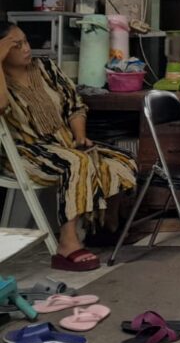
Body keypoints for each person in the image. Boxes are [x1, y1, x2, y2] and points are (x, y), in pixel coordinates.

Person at [0, 22, 137, 271]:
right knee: (76, 162)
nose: (26, 48)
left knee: (122, 159)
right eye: (16, 45)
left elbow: (75, 105)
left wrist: (80, 138)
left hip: (63, 143)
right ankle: (67, 243)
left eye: (26, 41)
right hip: (26, 152)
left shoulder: (46, 67)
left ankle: (104, 227)